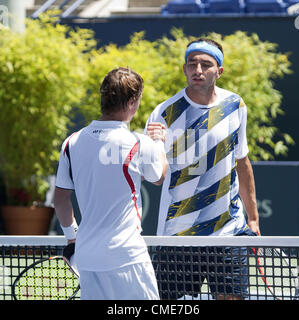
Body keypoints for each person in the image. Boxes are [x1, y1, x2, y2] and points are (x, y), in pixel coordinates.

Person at [145, 38, 260, 300]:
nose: (198, 69)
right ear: (185, 69)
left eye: (206, 64)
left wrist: (252, 217)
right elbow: (154, 178)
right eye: (192, 64)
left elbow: (241, 161)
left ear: (219, 71)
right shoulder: (164, 113)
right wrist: (154, 145)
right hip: (177, 238)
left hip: (228, 233)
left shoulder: (236, 105)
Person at [54, 67, 168, 300]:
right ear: (133, 102)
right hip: (127, 256)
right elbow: (159, 177)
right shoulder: (139, 142)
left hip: (86, 257)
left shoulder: (71, 142)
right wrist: (158, 143)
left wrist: (72, 237)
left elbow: (60, 200)